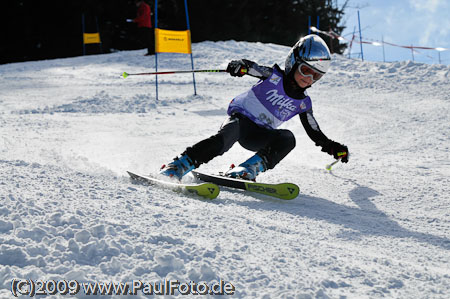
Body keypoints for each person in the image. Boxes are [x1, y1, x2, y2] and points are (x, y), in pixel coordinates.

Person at [160, 34, 349, 181]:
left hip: (260, 135)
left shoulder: (303, 103)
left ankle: (246, 170)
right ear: (294, 63)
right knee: (224, 140)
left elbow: (314, 131)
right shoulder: (273, 76)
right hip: (241, 121)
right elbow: (251, 67)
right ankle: (179, 165)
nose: (309, 79)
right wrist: (239, 66)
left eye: (316, 76)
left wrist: (332, 147)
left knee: (288, 139)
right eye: (306, 70)